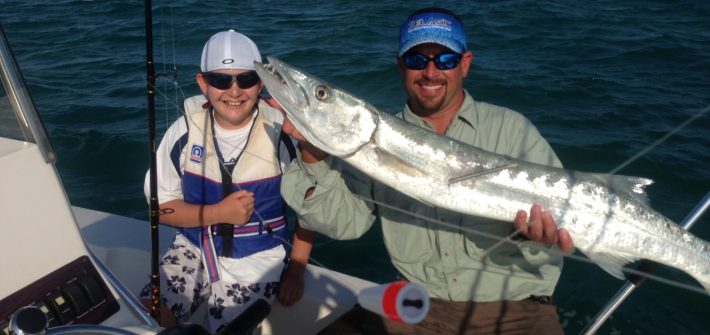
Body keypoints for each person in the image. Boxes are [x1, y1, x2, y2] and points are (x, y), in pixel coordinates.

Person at [279, 7, 573, 335]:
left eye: (444, 60)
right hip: (416, 305)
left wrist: (536, 237)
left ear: (465, 63)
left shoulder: (512, 129)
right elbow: (346, 224)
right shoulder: (370, 141)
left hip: (515, 308)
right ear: (400, 64)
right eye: (417, 60)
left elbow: (559, 229)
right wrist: (313, 153)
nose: (430, 72)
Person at [142, 29, 314, 333]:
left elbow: (311, 209)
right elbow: (160, 209)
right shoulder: (181, 133)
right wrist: (218, 214)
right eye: (220, 80)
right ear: (203, 83)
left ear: (261, 83)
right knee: (146, 316)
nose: (234, 92)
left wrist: (297, 270)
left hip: (258, 258)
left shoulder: (283, 136)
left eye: (246, 79)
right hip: (192, 247)